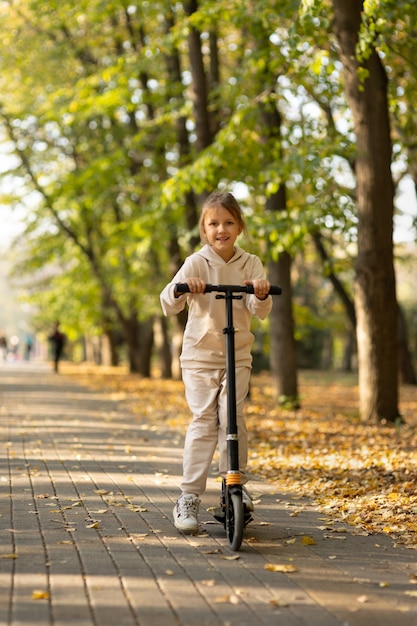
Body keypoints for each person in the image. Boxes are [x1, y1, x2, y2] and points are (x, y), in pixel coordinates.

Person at [160, 191, 272, 533]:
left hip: (237, 355)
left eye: (228, 222)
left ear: (239, 226)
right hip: (200, 357)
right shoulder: (198, 261)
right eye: (213, 223)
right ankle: (189, 496)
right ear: (204, 229)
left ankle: (233, 483)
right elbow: (168, 302)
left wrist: (261, 292)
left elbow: (260, 311)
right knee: (204, 421)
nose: (221, 229)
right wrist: (182, 287)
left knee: (233, 419)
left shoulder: (250, 263)